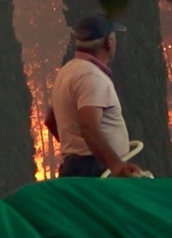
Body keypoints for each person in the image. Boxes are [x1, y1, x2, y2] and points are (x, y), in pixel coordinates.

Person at [45, 13, 143, 178]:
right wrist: (115, 165)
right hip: (94, 170)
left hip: (80, 166)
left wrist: (76, 149)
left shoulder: (68, 71)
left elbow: (50, 120)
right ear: (108, 42)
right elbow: (89, 126)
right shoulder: (91, 77)